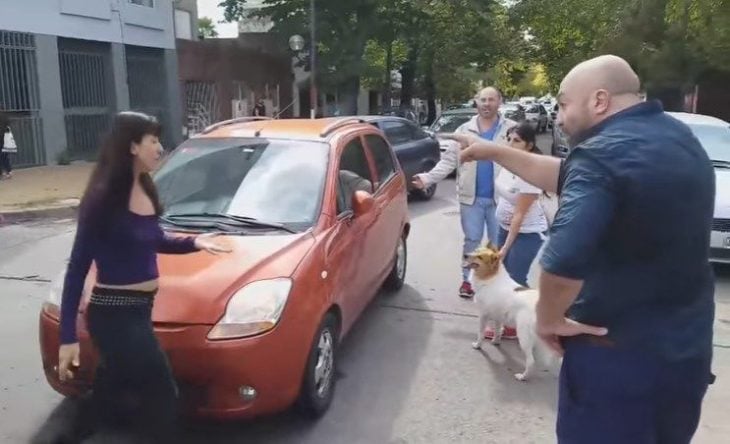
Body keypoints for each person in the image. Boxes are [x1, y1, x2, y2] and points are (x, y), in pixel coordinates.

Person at [444, 55, 715, 444]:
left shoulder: (600, 155)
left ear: (599, 101)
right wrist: (492, 151)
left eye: (565, 103)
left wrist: (548, 317)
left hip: (615, 364)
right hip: (683, 357)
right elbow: (568, 176)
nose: (559, 115)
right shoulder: (675, 137)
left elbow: (563, 259)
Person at [57, 112, 231, 441]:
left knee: (109, 391)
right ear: (133, 146)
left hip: (139, 310)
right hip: (113, 315)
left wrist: (194, 242)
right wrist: (68, 336)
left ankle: (71, 437)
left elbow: (154, 238)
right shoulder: (103, 198)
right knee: (162, 393)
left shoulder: (145, 188)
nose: (160, 148)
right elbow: (77, 268)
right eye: (153, 141)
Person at [413, 87, 516, 300]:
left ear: (499, 102)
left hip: (502, 199)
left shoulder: (511, 130)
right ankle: (467, 280)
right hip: (472, 199)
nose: (486, 104)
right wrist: (427, 178)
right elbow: (449, 161)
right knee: (472, 241)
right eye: (483, 100)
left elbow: (523, 159)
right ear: (476, 102)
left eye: (491, 100)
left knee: (498, 244)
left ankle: (494, 282)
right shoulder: (464, 130)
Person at [495, 122, 548, 288]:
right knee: (500, 275)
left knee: (515, 279)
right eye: (508, 139)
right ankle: (504, 312)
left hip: (527, 233)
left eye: (516, 141)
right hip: (505, 228)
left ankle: (526, 312)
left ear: (529, 145)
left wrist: (505, 247)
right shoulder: (508, 164)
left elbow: (519, 215)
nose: (510, 144)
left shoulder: (531, 173)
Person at [0, 113, 16, 179]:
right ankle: (9, 171)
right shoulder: (3, 114)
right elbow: (8, 124)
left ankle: (2, 173)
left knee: (2, 156)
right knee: (4, 156)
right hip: (4, 138)